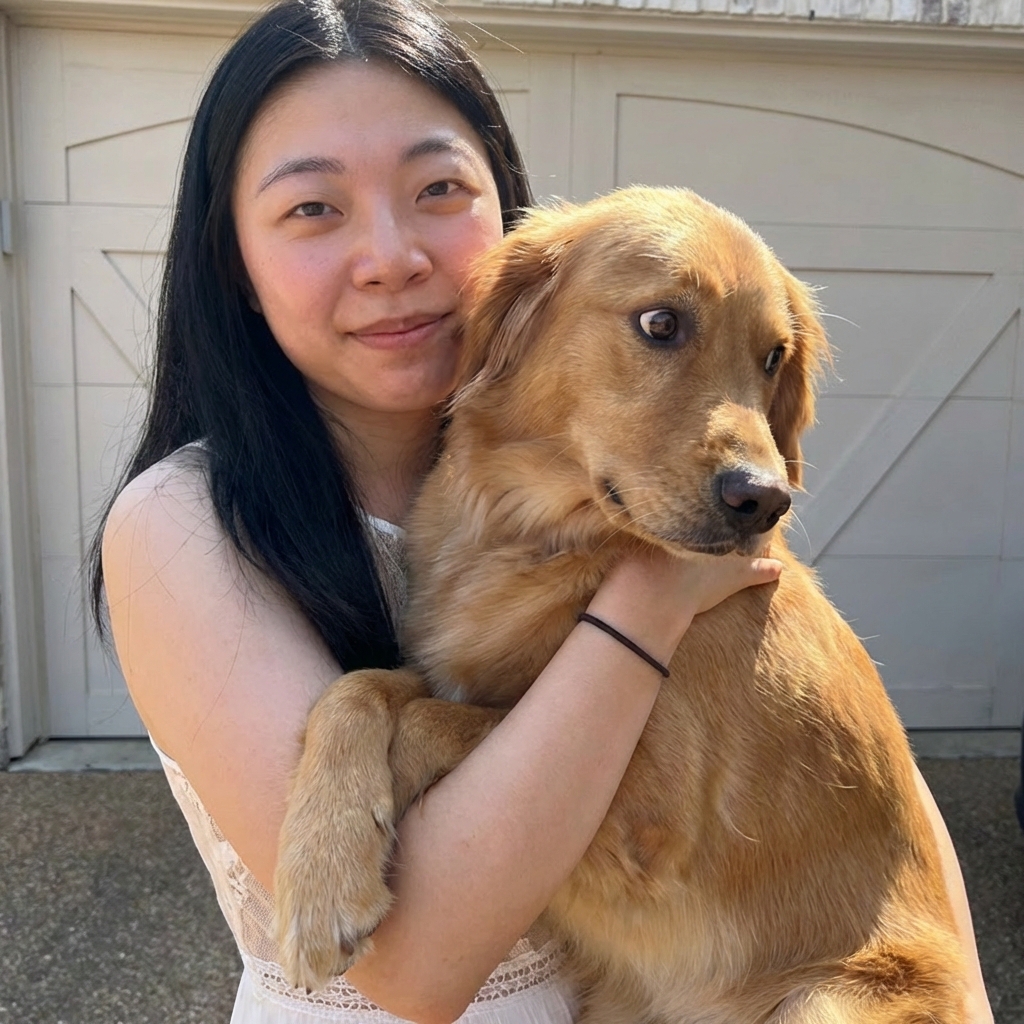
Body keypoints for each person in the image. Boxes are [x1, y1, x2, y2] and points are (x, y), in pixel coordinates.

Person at [92, 1, 994, 1021]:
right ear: (235, 266)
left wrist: (959, 987)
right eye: (313, 208)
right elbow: (415, 967)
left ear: (505, 232)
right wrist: (645, 607)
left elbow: (897, 804)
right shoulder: (183, 528)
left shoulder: (639, 511)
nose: (391, 255)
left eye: (438, 188)